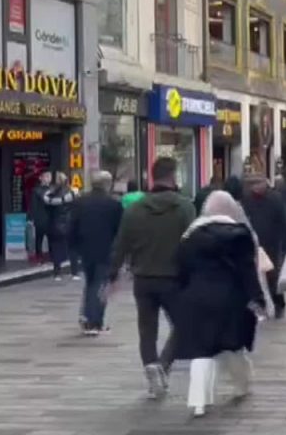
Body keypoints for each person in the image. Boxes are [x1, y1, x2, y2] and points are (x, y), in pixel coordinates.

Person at [173, 190, 268, 418]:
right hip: (231, 298)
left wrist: (184, 292)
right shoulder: (240, 234)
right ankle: (242, 385)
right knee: (234, 344)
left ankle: (199, 402)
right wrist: (257, 297)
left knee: (202, 349)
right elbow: (247, 271)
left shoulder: (190, 237)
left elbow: (180, 269)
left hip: (197, 297)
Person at [109, 157, 197, 399]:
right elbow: (194, 243)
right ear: (173, 176)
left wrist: (112, 274)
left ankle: (151, 368)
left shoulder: (135, 209)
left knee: (147, 330)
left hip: (144, 278)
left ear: (152, 175)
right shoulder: (184, 207)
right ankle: (163, 365)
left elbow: (121, 244)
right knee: (185, 326)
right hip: (175, 279)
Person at [69, 171, 124, 335]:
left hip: (85, 249)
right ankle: (93, 321)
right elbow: (120, 230)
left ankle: (89, 317)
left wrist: (73, 247)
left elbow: (72, 226)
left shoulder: (80, 202)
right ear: (107, 184)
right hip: (105, 249)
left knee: (91, 282)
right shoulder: (113, 204)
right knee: (99, 285)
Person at [242, 174, 286, 319]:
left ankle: (279, 303)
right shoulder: (247, 200)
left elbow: (284, 222)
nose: (255, 187)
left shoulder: (275, 199)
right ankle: (260, 305)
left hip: (272, 243)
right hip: (254, 243)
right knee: (255, 276)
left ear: (265, 183)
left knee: (272, 275)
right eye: (253, 184)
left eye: (258, 183)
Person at [44, 172, 78, 281]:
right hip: (70, 223)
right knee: (73, 249)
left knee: (56, 249)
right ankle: (74, 273)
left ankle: (57, 273)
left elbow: (47, 208)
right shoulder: (72, 193)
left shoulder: (50, 195)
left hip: (55, 224)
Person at [28, 170, 51, 264]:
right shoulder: (36, 190)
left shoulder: (53, 189)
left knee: (51, 238)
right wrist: (31, 217)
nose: (48, 179)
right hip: (40, 217)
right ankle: (39, 258)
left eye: (49, 177)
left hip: (50, 217)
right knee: (39, 238)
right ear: (41, 178)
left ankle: (50, 257)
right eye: (46, 176)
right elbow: (33, 205)